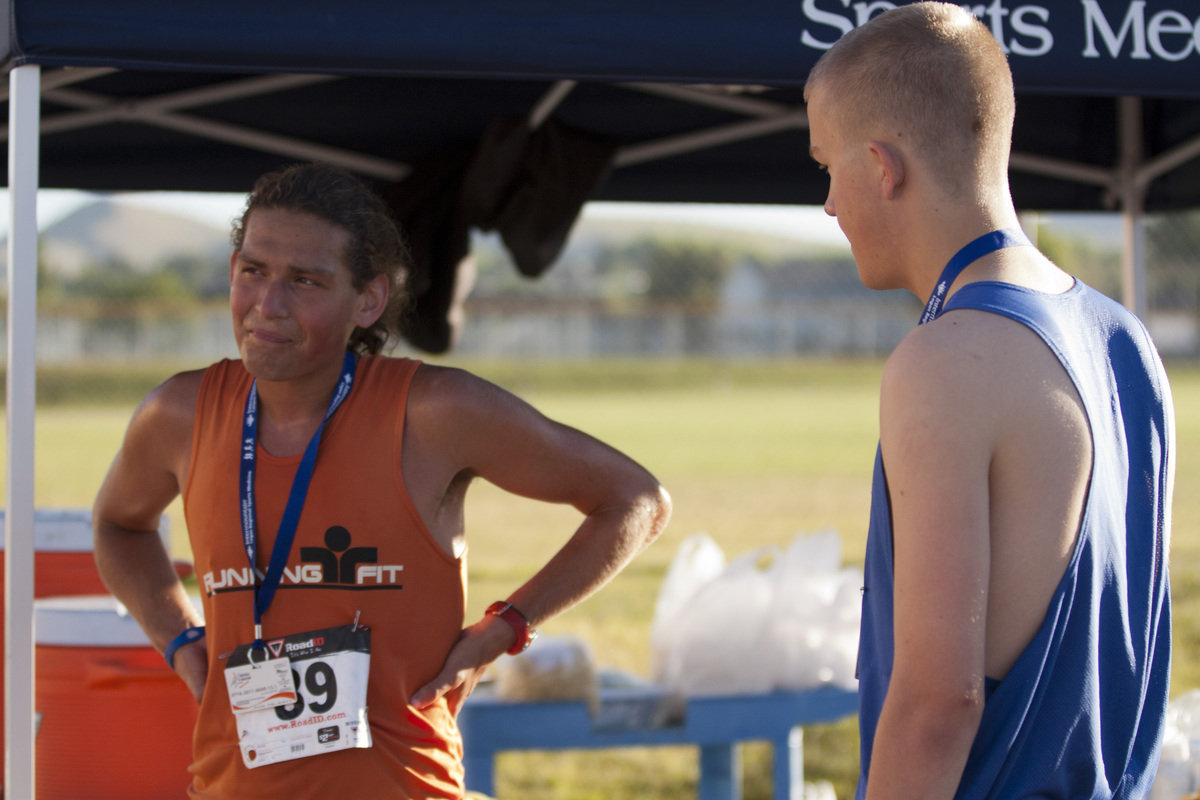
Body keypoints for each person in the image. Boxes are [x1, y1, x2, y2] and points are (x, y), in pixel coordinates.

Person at [92, 162, 672, 799]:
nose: (269, 304)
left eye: (305, 281)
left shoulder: (434, 413)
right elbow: (120, 524)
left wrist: (508, 624)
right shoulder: (180, 414)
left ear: (367, 300)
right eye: (254, 271)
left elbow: (635, 501)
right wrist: (180, 637)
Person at [804, 3, 1173, 798]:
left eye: (825, 166)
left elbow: (940, 702)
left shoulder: (945, 359)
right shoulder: (1126, 339)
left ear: (881, 166)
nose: (827, 204)